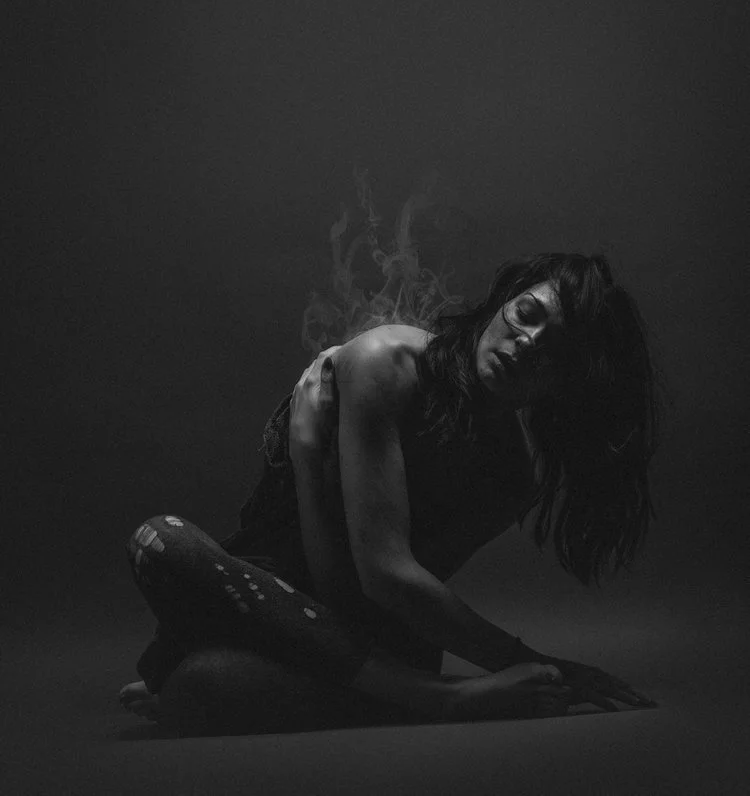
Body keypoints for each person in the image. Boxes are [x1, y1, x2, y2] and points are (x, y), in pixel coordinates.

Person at [120, 252, 660, 734]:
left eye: (555, 352)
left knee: (197, 686)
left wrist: (307, 452)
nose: (527, 343)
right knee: (162, 544)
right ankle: (434, 700)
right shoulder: (388, 363)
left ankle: (414, 697)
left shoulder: (513, 478)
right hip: (268, 593)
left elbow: (373, 592)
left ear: (564, 384)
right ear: (501, 303)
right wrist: (307, 453)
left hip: (369, 637)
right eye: (527, 314)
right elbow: (347, 587)